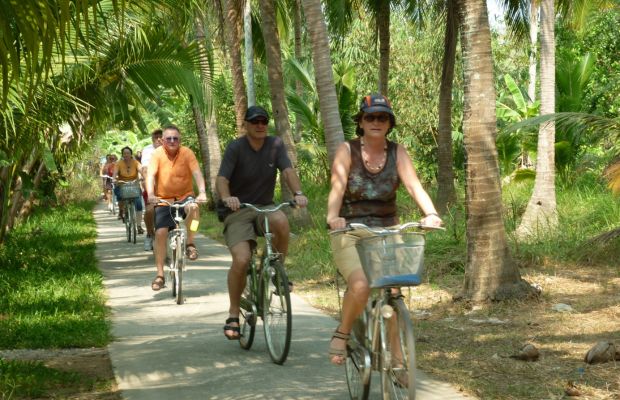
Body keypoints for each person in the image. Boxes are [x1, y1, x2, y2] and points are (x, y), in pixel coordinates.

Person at [326, 93, 443, 365]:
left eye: (382, 117)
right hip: (350, 230)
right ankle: (342, 333)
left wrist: (431, 213)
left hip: (387, 231)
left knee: (392, 293)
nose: (376, 122)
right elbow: (337, 187)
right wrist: (333, 216)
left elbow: (414, 186)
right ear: (361, 122)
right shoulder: (347, 150)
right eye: (370, 117)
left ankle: (399, 359)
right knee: (361, 284)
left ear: (389, 123)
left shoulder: (397, 152)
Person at [216, 105, 308, 340]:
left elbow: (287, 171)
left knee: (281, 220)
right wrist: (228, 198)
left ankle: (277, 269)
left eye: (263, 122)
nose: (260, 126)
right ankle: (234, 314)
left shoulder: (275, 145)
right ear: (245, 124)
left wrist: (298, 192)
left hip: (264, 207)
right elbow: (222, 179)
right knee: (242, 259)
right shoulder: (236, 147)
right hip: (238, 210)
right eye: (255, 121)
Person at [146, 125, 207, 291]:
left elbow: (197, 174)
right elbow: (150, 175)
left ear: (180, 140)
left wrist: (201, 192)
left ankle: (191, 243)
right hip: (163, 199)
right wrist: (151, 194)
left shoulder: (187, 153)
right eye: (169, 138)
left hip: (185, 196)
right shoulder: (157, 154)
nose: (172, 141)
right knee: (160, 233)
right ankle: (160, 275)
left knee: (194, 208)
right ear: (162, 140)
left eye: (175, 138)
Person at [140, 129, 163, 251]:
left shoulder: (171, 148)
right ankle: (149, 234)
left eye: (161, 137)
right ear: (152, 140)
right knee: (149, 210)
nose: (159, 139)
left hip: (169, 185)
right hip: (152, 185)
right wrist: (148, 182)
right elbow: (145, 169)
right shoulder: (148, 150)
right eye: (156, 137)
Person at [113, 147, 145, 233]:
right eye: (124, 153)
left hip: (134, 185)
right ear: (122, 155)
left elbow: (141, 170)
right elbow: (115, 173)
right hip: (122, 184)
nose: (126, 155)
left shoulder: (136, 162)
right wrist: (114, 179)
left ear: (131, 154)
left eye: (128, 153)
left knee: (139, 204)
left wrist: (144, 176)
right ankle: (122, 210)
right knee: (119, 195)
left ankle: (139, 226)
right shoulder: (118, 164)